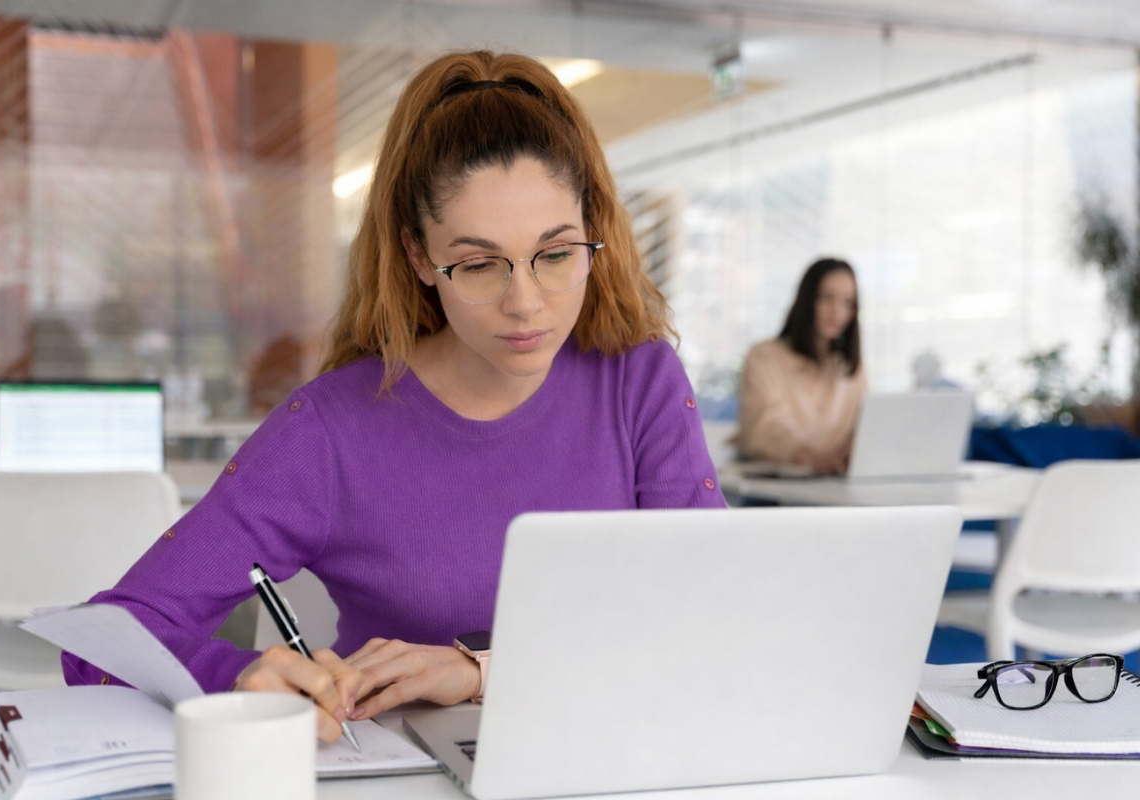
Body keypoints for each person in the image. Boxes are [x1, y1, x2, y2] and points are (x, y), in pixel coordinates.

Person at [63, 50, 725, 742]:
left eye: (556, 255)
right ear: (418, 257)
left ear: (595, 233)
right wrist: (234, 677)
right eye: (477, 265)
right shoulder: (328, 431)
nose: (526, 303)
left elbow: (715, 616)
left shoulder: (639, 382)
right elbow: (98, 643)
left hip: (625, 765)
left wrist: (479, 672)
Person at [733, 257, 866, 474]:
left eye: (848, 302)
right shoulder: (764, 357)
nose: (837, 311)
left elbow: (863, 428)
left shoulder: (851, 368)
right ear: (806, 299)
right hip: (774, 484)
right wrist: (805, 455)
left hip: (833, 483)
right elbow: (763, 426)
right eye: (826, 298)